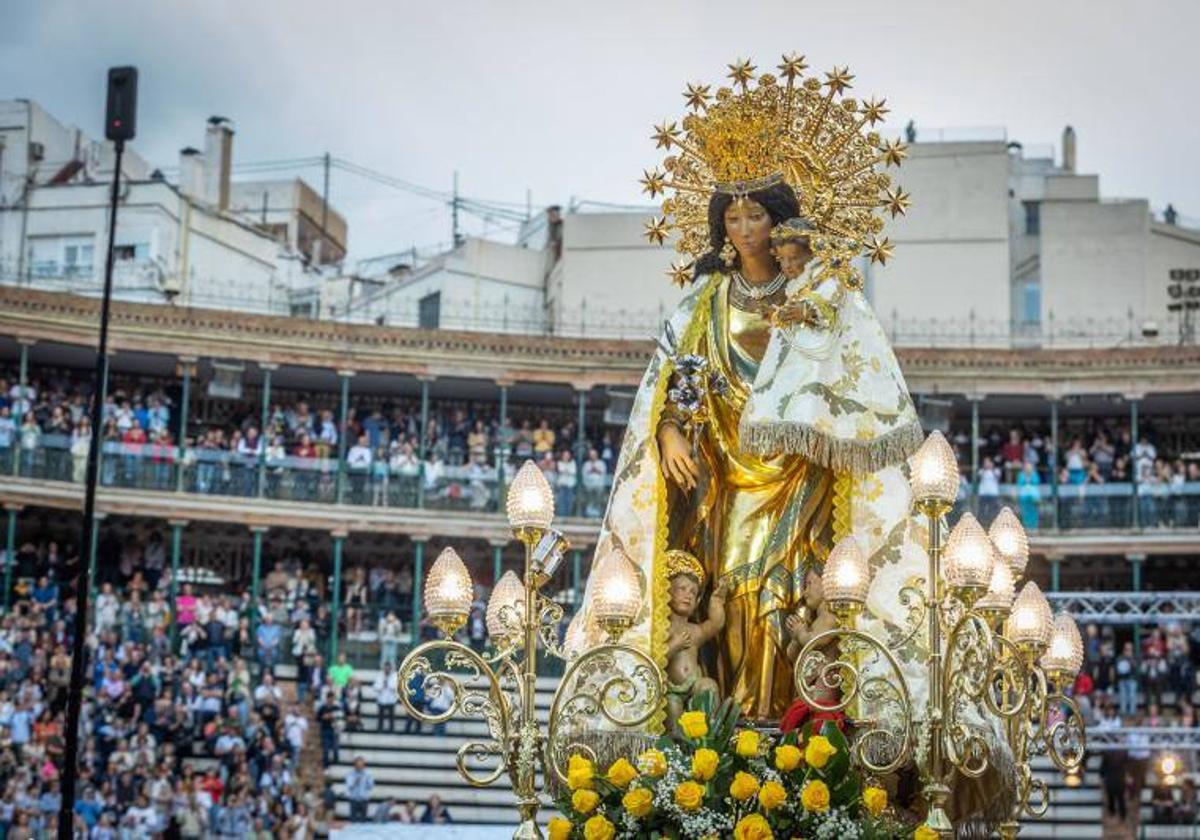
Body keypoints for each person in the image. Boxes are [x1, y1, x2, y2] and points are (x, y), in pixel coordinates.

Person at [345, 756, 374, 822]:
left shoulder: (368, 774)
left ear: (364, 765)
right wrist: (355, 781)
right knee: (353, 820)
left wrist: (368, 781)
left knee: (363, 820)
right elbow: (349, 787)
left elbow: (370, 787)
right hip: (354, 799)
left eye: (361, 765)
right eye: (358, 765)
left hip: (364, 799)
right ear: (355, 765)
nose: (359, 767)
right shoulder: (350, 774)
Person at [374, 663, 398, 733]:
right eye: (385, 668)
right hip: (381, 700)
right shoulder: (379, 675)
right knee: (380, 717)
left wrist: (388, 684)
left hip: (391, 700)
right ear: (384, 668)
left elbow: (396, 687)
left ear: (390, 668)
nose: (387, 669)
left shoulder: (394, 676)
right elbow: (375, 687)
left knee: (391, 717)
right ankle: (379, 730)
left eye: (388, 668)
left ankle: (391, 730)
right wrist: (382, 685)